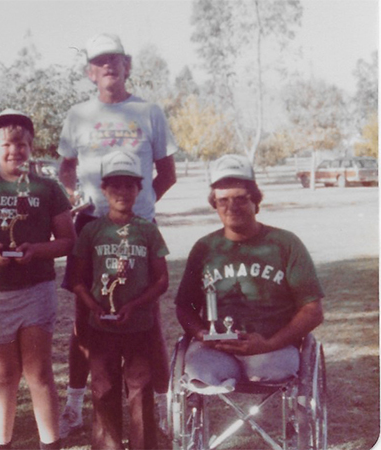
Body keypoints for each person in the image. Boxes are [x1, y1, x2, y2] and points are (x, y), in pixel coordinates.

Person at [57, 33, 178, 437]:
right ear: (90, 71)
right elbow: (66, 168)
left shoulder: (149, 111)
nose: (108, 66)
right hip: (91, 225)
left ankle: (159, 404)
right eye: (99, 61)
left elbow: (167, 173)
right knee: (85, 318)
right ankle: (75, 403)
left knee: (147, 318)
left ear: (128, 65)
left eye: (116, 59)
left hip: (139, 227)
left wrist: (134, 210)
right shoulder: (77, 115)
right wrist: (89, 202)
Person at [0, 109, 75, 450]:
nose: (14, 151)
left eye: (21, 144)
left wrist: (37, 249)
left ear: (31, 145)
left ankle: (50, 444)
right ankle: (0, 445)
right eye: (6, 144)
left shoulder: (47, 187)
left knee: (39, 373)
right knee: (4, 376)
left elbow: (67, 240)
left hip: (36, 290)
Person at [175, 154, 324, 395]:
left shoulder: (285, 244)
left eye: (240, 199)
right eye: (223, 200)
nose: (231, 207)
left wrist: (268, 343)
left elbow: (312, 311)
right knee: (199, 371)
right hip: (216, 353)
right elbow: (185, 307)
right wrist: (202, 334)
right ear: (214, 203)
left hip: (272, 351)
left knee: (268, 367)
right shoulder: (204, 248)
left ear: (256, 200)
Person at [71, 151, 169, 449]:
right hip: (101, 327)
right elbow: (76, 280)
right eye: (115, 186)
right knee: (103, 390)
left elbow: (162, 280)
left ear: (140, 190)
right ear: (104, 189)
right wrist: (94, 308)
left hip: (139, 325)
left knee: (140, 390)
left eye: (130, 185)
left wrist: (135, 305)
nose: (122, 192)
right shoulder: (91, 230)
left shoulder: (148, 230)